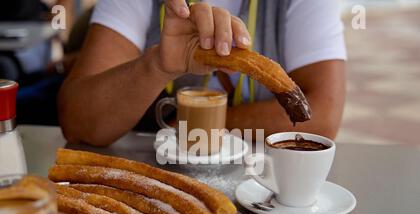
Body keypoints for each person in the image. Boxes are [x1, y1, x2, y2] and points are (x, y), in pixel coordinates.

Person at [58, 0, 347, 146]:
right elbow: (78, 123)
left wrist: (187, 124)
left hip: (266, 189)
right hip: (153, 186)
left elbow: (322, 115)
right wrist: (157, 65)